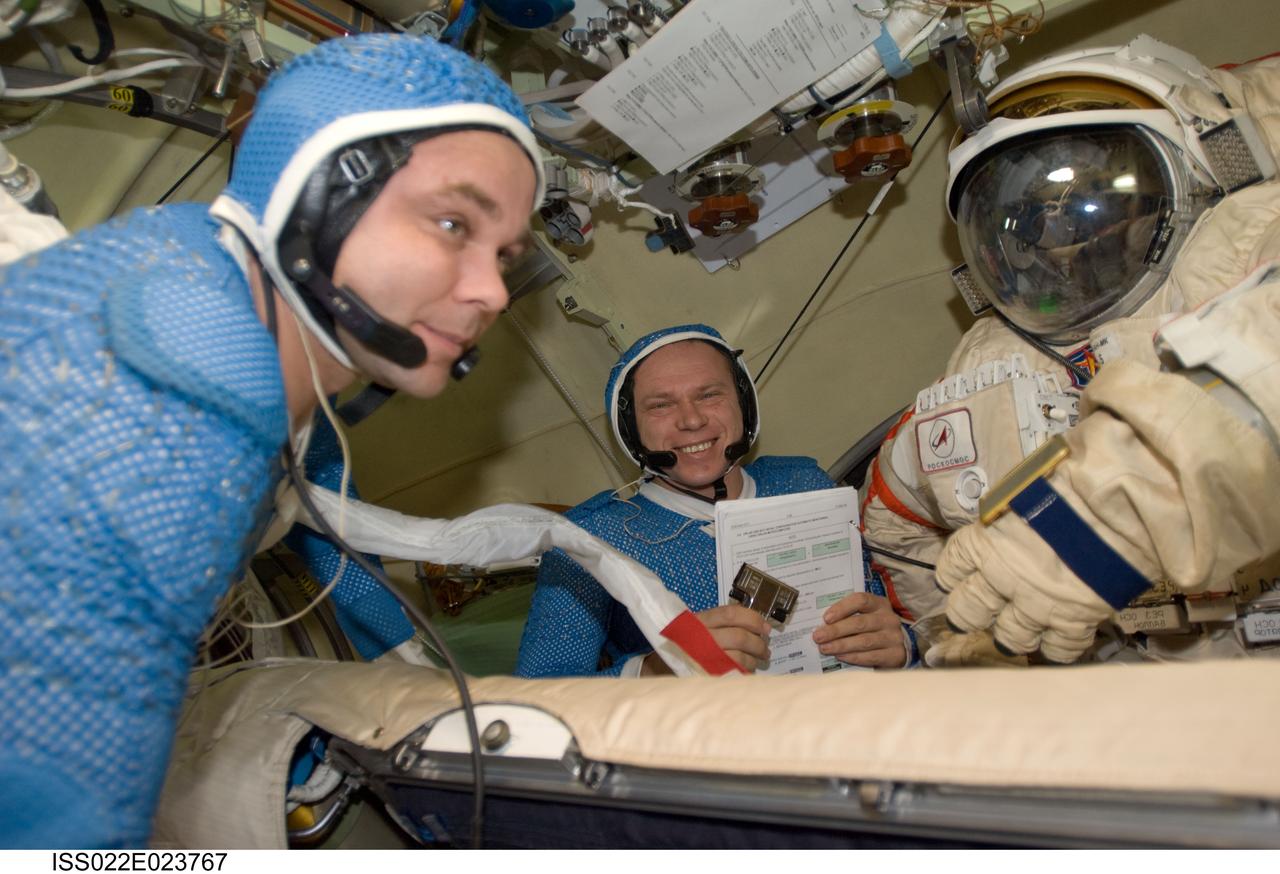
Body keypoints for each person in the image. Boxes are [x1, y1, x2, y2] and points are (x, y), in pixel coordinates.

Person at [0, 34, 542, 848]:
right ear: (317, 194)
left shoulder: (183, 267)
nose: (494, 290)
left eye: (504, 254)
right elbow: (59, 841)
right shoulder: (181, 405)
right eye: (452, 222)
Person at [858, 36, 1280, 665]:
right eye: (1027, 217)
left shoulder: (1248, 250)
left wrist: (1104, 526)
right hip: (1119, 703)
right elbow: (893, 515)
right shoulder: (988, 367)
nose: (1064, 236)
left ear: (1201, 166)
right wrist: (958, 632)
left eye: (1094, 199)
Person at [516, 324, 917, 678]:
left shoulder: (805, 481)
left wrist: (904, 643)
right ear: (630, 428)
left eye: (709, 395)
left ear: (743, 404)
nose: (691, 420)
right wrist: (657, 671)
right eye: (661, 405)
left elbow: (903, 613)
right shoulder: (588, 539)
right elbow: (542, 699)